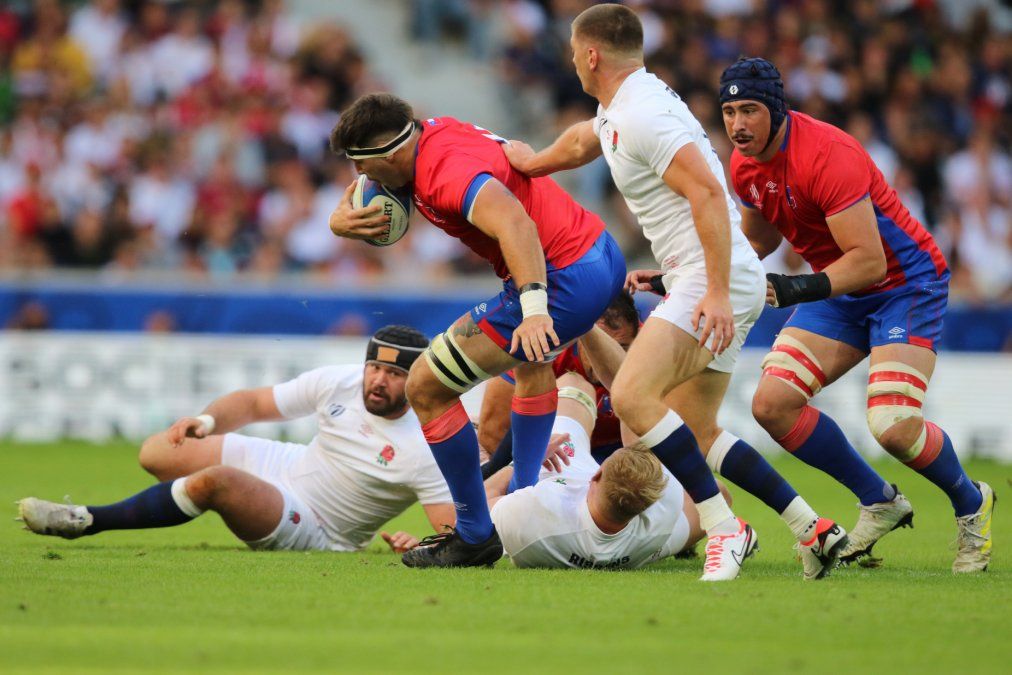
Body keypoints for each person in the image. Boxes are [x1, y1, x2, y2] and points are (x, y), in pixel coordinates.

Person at [503, 3, 844, 581]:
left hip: (711, 277)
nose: (573, 63)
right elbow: (586, 140)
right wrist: (532, 163)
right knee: (699, 432)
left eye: (574, 53)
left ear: (592, 55)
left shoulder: (642, 115)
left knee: (633, 399)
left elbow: (708, 193)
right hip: (715, 275)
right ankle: (812, 527)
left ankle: (724, 526)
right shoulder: (626, 106)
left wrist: (714, 292)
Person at [719, 57, 995, 573]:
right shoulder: (744, 165)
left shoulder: (827, 154)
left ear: (776, 109)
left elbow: (870, 262)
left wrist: (796, 287)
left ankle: (970, 501)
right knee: (772, 405)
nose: (738, 124)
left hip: (904, 285)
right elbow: (759, 240)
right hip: (841, 288)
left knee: (893, 424)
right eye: (730, 112)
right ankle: (879, 499)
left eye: (750, 110)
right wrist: (689, 274)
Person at [327, 94, 626, 568]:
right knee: (532, 363)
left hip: (560, 278)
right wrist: (338, 221)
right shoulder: (433, 131)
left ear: (390, 153)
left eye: (362, 165)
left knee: (425, 386)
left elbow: (515, 223)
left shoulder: (444, 173)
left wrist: (534, 309)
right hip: (598, 251)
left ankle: (473, 534)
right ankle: (523, 497)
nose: (361, 177)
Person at [17, 325, 455, 554]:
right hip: (289, 465)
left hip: (317, 525)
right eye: (374, 367)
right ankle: (192, 495)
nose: (378, 381)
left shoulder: (423, 447)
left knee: (218, 481)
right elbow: (254, 403)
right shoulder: (339, 382)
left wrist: (421, 545)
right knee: (157, 451)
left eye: (394, 374)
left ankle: (85, 520)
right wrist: (207, 420)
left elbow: (457, 533)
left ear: (415, 380)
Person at [483, 373, 714, 570]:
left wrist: (526, 461)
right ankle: (625, 380)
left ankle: (618, 371)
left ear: (596, 475)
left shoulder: (527, 515)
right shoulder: (661, 519)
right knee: (716, 497)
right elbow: (717, 496)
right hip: (640, 547)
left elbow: (479, 505)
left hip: (559, 463)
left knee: (573, 381)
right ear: (648, 504)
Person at [478, 290, 639, 475]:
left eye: (623, 347)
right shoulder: (544, 344)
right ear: (580, 337)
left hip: (615, 454)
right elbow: (492, 434)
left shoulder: (648, 348)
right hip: (547, 454)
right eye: (600, 346)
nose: (607, 358)